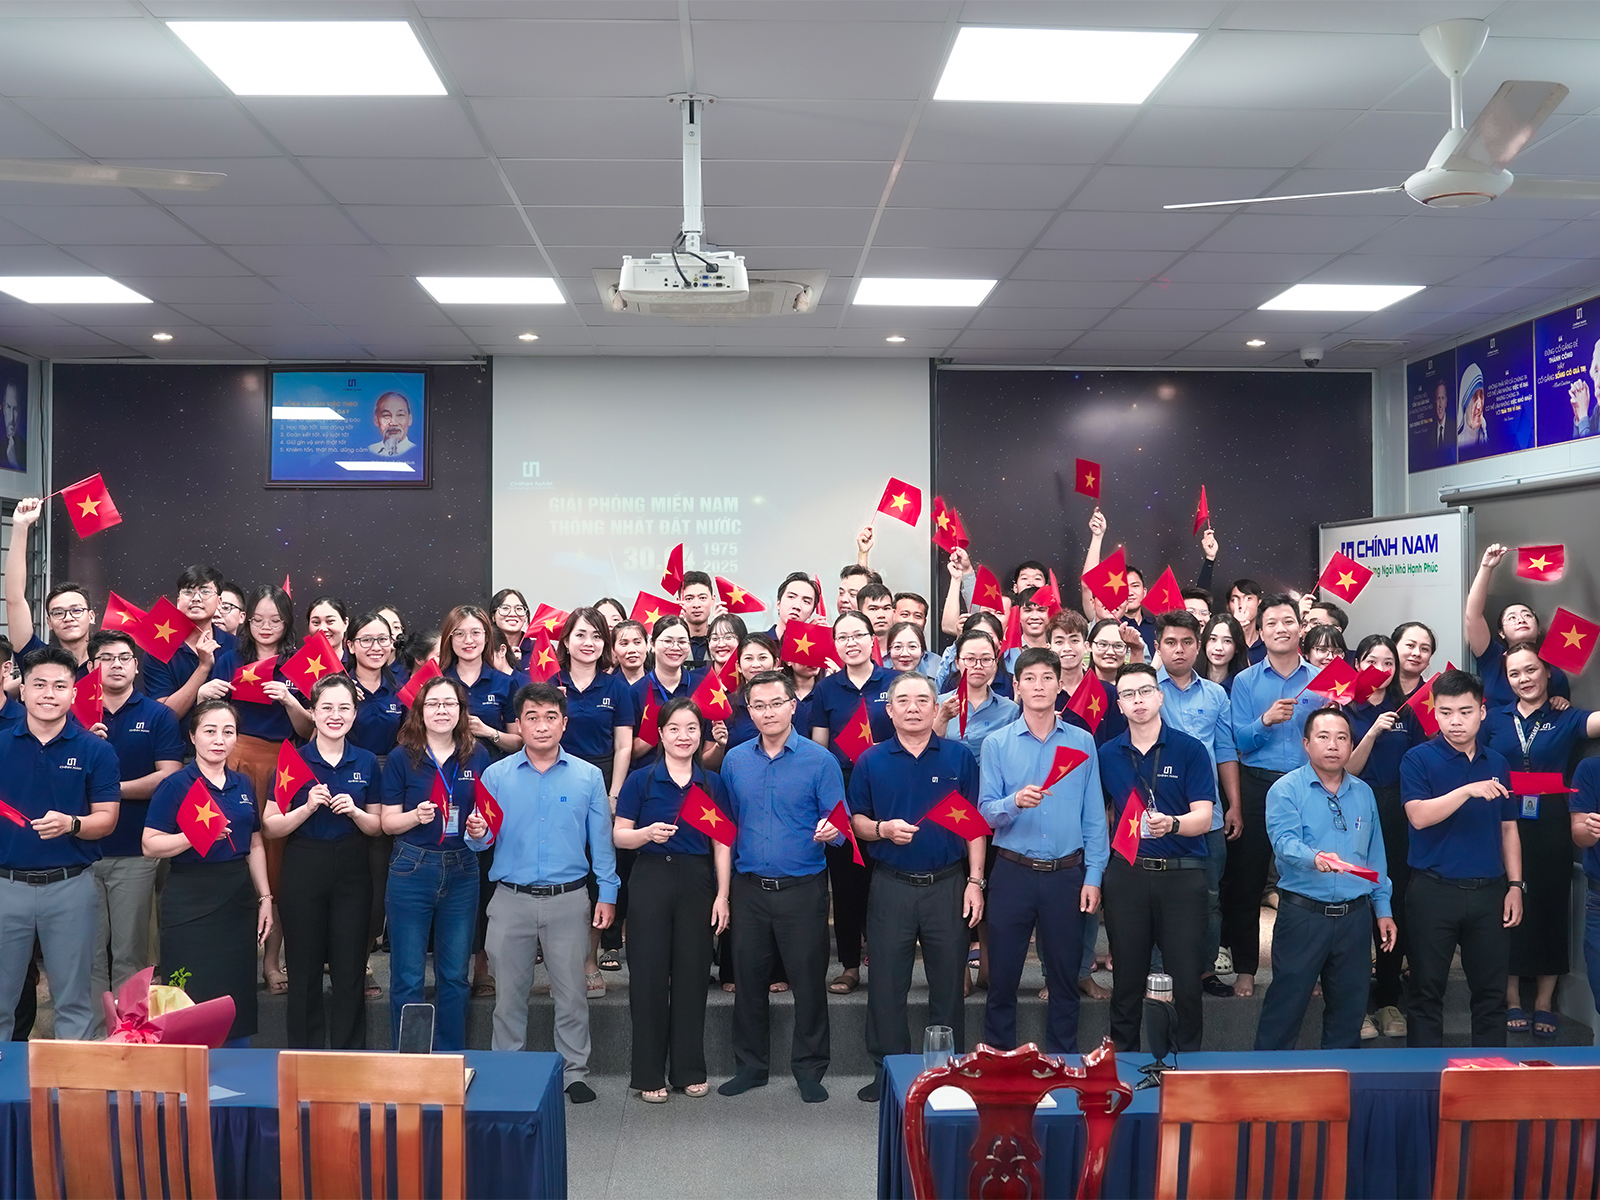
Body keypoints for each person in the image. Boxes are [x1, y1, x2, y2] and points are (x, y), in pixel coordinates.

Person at [467, 681, 618, 1103]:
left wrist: (608, 892)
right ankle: (508, 1072)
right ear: (518, 724)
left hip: (569, 900)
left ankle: (574, 1073)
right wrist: (476, 833)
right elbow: (482, 840)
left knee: (571, 995)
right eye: (531, 717)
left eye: (551, 717)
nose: (541, 725)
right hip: (510, 898)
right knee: (508, 998)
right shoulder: (496, 775)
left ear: (564, 723)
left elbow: (601, 842)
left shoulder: (588, 776)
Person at [850, 672, 984, 1103]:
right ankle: (888, 1071)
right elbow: (856, 821)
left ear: (935, 707)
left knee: (948, 984)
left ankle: (946, 1073)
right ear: (889, 710)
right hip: (891, 885)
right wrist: (883, 830)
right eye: (903, 700)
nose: (913, 707)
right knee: (887, 984)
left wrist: (975, 881)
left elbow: (974, 826)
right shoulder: (871, 760)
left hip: (947, 884)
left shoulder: (958, 758)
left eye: (922, 700)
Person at [717, 670, 845, 1103]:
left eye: (776, 703)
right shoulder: (735, 760)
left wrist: (833, 831)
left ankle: (809, 1070)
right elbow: (728, 824)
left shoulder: (820, 761)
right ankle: (751, 1067)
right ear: (749, 711)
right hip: (749, 887)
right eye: (759, 705)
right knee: (748, 981)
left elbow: (841, 823)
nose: (768, 712)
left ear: (793, 706)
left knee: (808, 982)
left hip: (802, 888)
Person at [979, 647, 1108, 1053]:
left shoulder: (1082, 741)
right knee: (1002, 979)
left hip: (1066, 875)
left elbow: (1094, 817)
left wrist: (1093, 876)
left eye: (1047, 678)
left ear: (1059, 685)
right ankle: (999, 1060)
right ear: (1016, 687)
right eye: (1030, 678)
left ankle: (1061, 1062)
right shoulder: (997, 743)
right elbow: (985, 811)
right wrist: (1014, 802)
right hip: (1012, 872)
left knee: (1065, 980)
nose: (1039, 686)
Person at [1255, 708, 1395, 1050]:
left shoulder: (1363, 792)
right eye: (1323, 737)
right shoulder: (1286, 789)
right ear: (1306, 744)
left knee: (1349, 1015)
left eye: (1342, 738)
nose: (1333, 745)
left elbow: (1375, 856)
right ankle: (1267, 1080)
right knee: (1284, 1011)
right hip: (1304, 916)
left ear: (1351, 746)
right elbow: (1284, 842)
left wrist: (1383, 909)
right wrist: (1314, 858)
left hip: (1354, 918)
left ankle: (1341, 1081)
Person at [613, 697, 731, 1102]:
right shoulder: (641, 781)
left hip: (697, 879)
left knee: (693, 975)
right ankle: (648, 1073)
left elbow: (722, 843)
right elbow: (619, 835)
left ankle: (689, 1069)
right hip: (651, 877)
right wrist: (646, 834)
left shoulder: (711, 783)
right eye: (675, 728)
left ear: (701, 735)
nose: (684, 736)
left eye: (692, 729)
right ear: (661, 734)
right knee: (647, 976)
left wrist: (723, 895)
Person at [0, 648, 121, 1040]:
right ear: (22, 690)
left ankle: (74, 1079)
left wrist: (72, 824)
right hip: (6, 887)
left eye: (59, 686)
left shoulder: (96, 750)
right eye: (39, 685)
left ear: (74, 693)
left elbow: (107, 820)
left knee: (74, 1002)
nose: (48, 694)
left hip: (70, 887)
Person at [1480, 644, 1598, 1039]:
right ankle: (1512, 995)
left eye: (1531, 670)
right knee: (1507, 905)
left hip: (1552, 824)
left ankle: (1545, 1000)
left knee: (1550, 905)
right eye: (1514, 673)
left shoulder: (1566, 716)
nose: (1524, 679)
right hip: (1503, 820)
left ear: (1548, 672)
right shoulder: (1494, 718)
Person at [1401, 668, 1523, 1048]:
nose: (1455, 721)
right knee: (1426, 992)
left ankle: (1489, 1077)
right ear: (1434, 713)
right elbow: (1418, 816)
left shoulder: (1498, 763)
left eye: (1465, 712)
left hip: (1489, 891)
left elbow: (1508, 828)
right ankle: (1425, 1078)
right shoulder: (1417, 759)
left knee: (1490, 995)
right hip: (1433, 890)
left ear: (1482, 712)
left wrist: (1515, 885)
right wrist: (1467, 790)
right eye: (1446, 712)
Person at [1098, 662, 1215, 1051]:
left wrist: (1173, 824)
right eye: (1128, 694)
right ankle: (1125, 1066)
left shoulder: (1189, 749)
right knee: (1126, 981)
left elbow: (1204, 817)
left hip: (1182, 876)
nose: (1138, 700)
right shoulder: (1108, 754)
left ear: (1160, 696)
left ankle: (1186, 1067)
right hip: (1128, 875)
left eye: (1145, 691)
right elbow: (1098, 816)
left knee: (1186, 981)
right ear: (1119, 705)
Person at [143, 700, 272, 1046]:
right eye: (210, 731)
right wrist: (194, 836)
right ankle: (187, 1069)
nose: (219, 740)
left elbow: (255, 843)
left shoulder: (243, 784)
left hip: (237, 898)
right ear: (193, 736)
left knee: (235, 992)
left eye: (228, 732)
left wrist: (265, 897)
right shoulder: (176, 784)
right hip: (190, 898)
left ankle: (236, 1066)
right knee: (190, 994)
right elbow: (150, 844)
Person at [265, 675, 381, 1049]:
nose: (335, 715)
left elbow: (377, 826)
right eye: (327, 707)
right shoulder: (293, 759)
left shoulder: (366, 761)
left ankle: (349, 1054)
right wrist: (306, 808)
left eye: (344, 708)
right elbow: (270, 825)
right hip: (304, 862)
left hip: (352, 864)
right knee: (304, 966)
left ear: (354, 713)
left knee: (349, 968)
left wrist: (356, 813)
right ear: (312, 712)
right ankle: (304, 1054)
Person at [380, 675, 489, 1051]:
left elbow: (486, 815)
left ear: (461, 711)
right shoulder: (402, 757)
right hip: (412, 867)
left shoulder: (477, 755)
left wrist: (479, 827)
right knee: (408, 976)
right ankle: (410, 1062)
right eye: (433, 704)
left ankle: (449, 1059)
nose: (441, 710)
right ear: (420, 711)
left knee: (455, 975)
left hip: (463, 868)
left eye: (449, 704)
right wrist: (416, 816)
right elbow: (387, 823)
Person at [82, 630, 184, 1036]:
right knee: (89, 955)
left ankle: (129, 1036)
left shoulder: (158, 715)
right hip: (81, 852)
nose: (117, 665)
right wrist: (84, 745)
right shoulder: (72, 716)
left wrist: (109, 790)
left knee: (130, 953)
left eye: (124, 658)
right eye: (107, 658)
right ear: (92, 666)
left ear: (136, 665)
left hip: (135, 851)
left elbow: (169, 776)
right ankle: (95, 1037)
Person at [1225, 594, 1320, 997]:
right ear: (1260, 633)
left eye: (1288, 621)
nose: (1281, 629)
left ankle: (1306, 971)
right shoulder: (1245, 681)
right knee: (1247, 881)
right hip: (1257, 784)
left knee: (1306, 881)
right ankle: (1246, 969)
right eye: (1272, 623)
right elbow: (1238, 741)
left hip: (1307, 786)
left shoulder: (1321, 680)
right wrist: (1265, 720)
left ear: (1301, 628)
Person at [216, 583, 307, 994]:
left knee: (276, 865)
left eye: (275, 620)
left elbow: (307, 729)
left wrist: (289, 700)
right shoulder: (229, 659)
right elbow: (212, 717)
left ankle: (272, 961)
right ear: (246, 620)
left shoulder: (298, 664)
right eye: (258, 619)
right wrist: (206, 692)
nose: (266, 627)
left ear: (287, 623)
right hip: (233, 761)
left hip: (281, 765)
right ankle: (232, 961)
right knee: (230, 856)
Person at [1152, 611, 1240, 1001]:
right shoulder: (1147, 689)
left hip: (1209, 814)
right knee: (1157, 898)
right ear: (1158, 646)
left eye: (1187, 642)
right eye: (1170, 642)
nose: (1179, 650)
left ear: (1198, 645)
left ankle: (1204, 969)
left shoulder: (1216, 694)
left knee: (1210, 897)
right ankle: (1158, 971)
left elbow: (1225, 751)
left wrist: (1234, 805)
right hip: (1158, 813)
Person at [439, 604, 523, 999]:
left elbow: (519, 740)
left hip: (493, 788)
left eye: (475, 632)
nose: (468, 640)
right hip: (444, 786)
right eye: (459, 633)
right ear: (449, 639)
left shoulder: (505, 682)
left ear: (487, 637)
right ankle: (450, 964)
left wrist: (487, 731)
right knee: (449, 876)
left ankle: (483, 965)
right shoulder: (438, 681)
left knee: (487, 875)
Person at [810, 610, 894, 995]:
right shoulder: (826, 689)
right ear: (835, 644)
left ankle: (883, 960)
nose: (851, 643)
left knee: (883, 879)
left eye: (858, 634)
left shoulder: (893, 681)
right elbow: (819, 747)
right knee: (844, 881)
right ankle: (848, 965)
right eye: (842, 637)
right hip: (840, 787)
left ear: (871, 638)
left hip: (886, 786)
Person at [1346, 633, 1423, 1040]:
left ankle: (1389, 996)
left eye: (1389, 662)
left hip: (1399, 810)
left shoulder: (1407, 709)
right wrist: (1373, 732)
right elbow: (1347, 769)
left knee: (1394, 899)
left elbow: (1422, 760)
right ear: (1358, 664)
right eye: (1373, 661)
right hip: (1355, 805)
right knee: (1356, 899)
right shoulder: (1345, 708)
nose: (1381, 669)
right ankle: (1355, 1001)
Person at [554, 607, 634, 991]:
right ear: (566, 640)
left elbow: (623, 746)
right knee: (561, 872)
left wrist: (614, 793)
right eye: (581, 635)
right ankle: (560, 962)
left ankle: (589, 960)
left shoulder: (616, 688)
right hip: (557, 780)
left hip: (602, 780)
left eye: (597, 636)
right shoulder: (551, 684)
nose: (589, 643)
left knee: (596, 874)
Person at [347, 609, 406, 994]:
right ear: (350, 645)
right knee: (346, 879)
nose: (375, 647)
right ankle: (339, 959)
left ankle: (363, 959)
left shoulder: (402, 687)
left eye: (382, 639)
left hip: (391, 785)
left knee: (377, 880)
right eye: (366, 640)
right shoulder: (336, 685)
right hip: (344, 781)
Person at [1465, 545, 1573, 709]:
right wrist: (1486, 567)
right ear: (1501, 633)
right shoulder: (1492, 657)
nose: (1521, 620)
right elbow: (1472, 615)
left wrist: (1560, 702)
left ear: (1538, 629)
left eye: (1527, 615)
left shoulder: (1554, 674)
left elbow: (1562, 716)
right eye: (1512, 618)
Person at [3, 496, 96, 672]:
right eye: (58, 612)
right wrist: (21, 526)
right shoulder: (37, 657)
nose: (68, 618)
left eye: (76, 610)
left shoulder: (108, 663)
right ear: (49, 622)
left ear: (91, 616)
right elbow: (14, 599)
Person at [143, 566, 235, 720]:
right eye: (188, 592)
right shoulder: (157, 650)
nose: (196, 598)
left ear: (219, 602)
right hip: (178, 735)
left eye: (205, 591)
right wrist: (203, 667)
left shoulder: (237, 646)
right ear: (179, 601)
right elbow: (164, 717)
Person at [934, 629, 1018, 767]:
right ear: (957, 662)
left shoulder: (1010, 711)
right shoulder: (939, 703)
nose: (978, 666)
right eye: (970, 659)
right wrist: (942, 718)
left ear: (995, 663)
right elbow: (928, 750)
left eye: (986, 659)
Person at [1200, 613, 1249, 692]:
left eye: (1227, 641)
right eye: (1213, 639)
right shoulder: (1191, 680)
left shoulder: (1243, 685)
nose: (1219, 648)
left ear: (1237, 647)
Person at [676, 571, 716, 669]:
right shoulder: (669, 643)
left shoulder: (722, 643)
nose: (696, 605)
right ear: (679, 602)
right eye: (689, 599)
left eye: (702, 598)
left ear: (712, 600)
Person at [1392, 621, 1437, 701]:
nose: (1417, 653)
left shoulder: (1434, 698)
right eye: (1410, 645)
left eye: (1424, 649)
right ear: (1393, 648)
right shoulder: (1374, 691)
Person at [489, 588, 531, 672]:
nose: (512, 614)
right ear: (493, 616)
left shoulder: (539, 648)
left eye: (519, 608)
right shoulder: (484, 648)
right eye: (505, 608)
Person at [1227, 579, 1268, 665]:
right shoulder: (1221, 642)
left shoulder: (1268, 641)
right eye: (1234, 599)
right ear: (1228, 607)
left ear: (1259, 603)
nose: (1242, 605)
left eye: (1248, 599)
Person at [305, 596, 352, 669]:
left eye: (330, 621)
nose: (322, 629)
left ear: (345, 623)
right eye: (316, 622)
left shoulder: (358, 664)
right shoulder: (298, 665)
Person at [367, 390, 417, 457]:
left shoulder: (416, 451)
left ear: (409, 419)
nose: (393, 423)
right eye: (386, 415)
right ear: (376, 420)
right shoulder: (370, 450)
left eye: (400, 415)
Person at [855, 582, 897, 658]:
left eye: (886, 608)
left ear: (894, 613)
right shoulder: (851, 652)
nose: (881, 615)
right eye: (873, 609)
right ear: (859, 614)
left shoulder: (906, 652)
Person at [611, 619, 650, 688]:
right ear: (613, 649)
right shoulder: (607, 687)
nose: (632, 650)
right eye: (624, 644)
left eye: (637, 642)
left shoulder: (660, 685)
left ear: (647, 645)